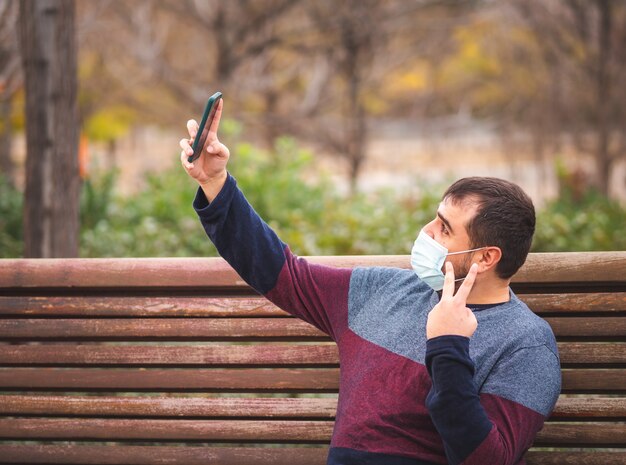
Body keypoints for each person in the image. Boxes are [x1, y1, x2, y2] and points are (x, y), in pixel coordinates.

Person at [179, 100, 561, 465]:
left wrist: (448, 348)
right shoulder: (380, 292)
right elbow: (281, 272)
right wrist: (216, 182)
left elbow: (486, 458)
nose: (425, 232)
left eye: (444, 229)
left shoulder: (525, 344)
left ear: (485, 257)